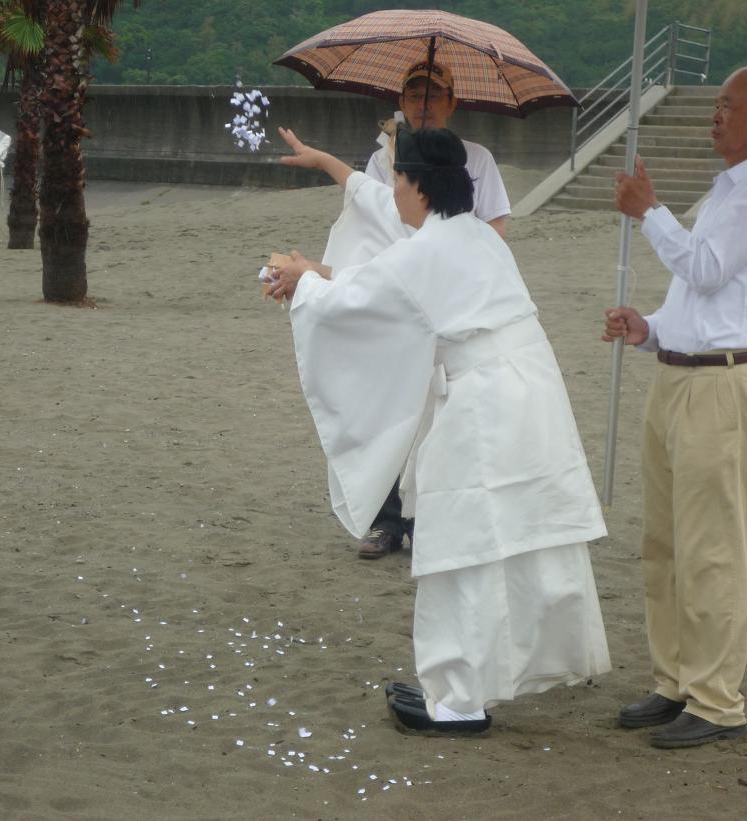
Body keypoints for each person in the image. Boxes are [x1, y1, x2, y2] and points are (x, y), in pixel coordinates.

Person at [269, 125, 610, 735]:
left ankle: (457, 698)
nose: (391, 188)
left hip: (483, 405)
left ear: (419, 186)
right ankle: (501, 674)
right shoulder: (474, 234)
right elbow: (382, 242)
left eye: (398, 177)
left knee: (460, 545)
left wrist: (304, 283)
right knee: (524, 532)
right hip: (532, 393)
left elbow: (358, 298)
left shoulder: (426, 250)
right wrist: (326, 172)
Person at [603, 62, 747, 749]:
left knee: (713, 546)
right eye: (714, 104)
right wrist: (649, 327)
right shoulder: (728, 189)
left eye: (725, 105)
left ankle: (716, 700)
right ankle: (676, 679)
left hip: (722, 384)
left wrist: (648, 211)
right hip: (679, 374)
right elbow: (700, 295)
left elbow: (707, 267)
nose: (713, 115)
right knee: (663, 543)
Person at [354, 60, 513, 561]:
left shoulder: (477, 159)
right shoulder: (381, 161)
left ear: (452, 102)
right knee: (387, 407)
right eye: (413, 94)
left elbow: (495, 226)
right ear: (399, 101)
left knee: (440, 413)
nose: (422, 104)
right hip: (396, 289)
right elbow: (367, 223)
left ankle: (428, 516)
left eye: (433, 95)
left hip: (447, 296)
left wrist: (451, 265)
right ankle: (384, 520)